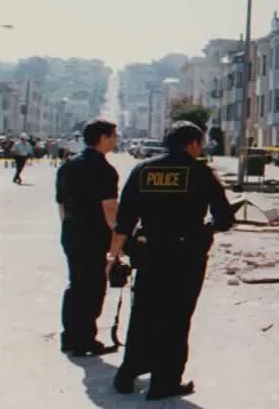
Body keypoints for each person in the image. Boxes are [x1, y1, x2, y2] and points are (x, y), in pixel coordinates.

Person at [111, 121, 233, 400]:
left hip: (150, 252)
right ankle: (164, 382)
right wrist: (206, 229)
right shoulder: (200, 172)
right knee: (176, 318)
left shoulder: (143, 170)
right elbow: (224, 218)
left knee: (143, 313)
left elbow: (125, 219)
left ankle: (128, 374)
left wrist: (114, 254)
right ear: (192, 144)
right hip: (186, 255)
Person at [56, 119, 120, 356]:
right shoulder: (105, 170)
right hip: (94, 237)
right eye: (114, 135)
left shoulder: (67, 166)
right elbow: (110, 211)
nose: (116, 140)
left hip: (72, 233)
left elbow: (62, 205)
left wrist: (69, 229)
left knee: (75, 285)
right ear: (102, 138)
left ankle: (70, 337)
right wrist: (119, 242)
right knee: (93, 288)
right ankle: (85, 340)